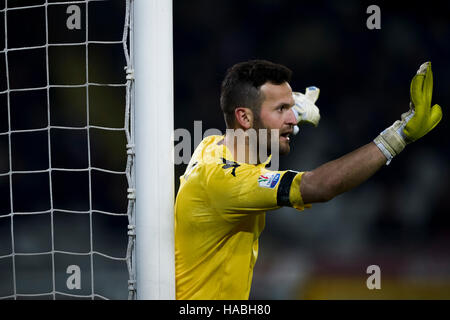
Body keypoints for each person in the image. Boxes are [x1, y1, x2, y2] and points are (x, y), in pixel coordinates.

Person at [174, 59, 442, 300]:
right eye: (281, 110)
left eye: (290, 109)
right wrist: (398, 137)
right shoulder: (224, 181)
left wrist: (294, 108)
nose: (292, 120)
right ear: (244, 117)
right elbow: (318, 186)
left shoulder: (212, 145)